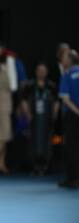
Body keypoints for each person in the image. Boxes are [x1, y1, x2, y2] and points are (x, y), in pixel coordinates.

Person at [21, 62, 59, 176]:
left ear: (46, 72)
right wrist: (27, 114)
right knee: (34, 141)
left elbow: (57, 101)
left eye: (43, 70)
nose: (41, 73)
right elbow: (23, 100)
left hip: (47, 118)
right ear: (36, 72)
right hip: (34, 117)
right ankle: (35, 166)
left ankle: (45, 166)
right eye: (39, 70)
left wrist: (54, 114)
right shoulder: (30, 85)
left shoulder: (51, 86)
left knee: (47, 142)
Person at [58, 50, 79, 189]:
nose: (62, 60)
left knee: (71, 147)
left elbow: (65, 99)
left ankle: (73, 179)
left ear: (69, 61)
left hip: (73, 116)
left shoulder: (67, 75)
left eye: (64, 58)